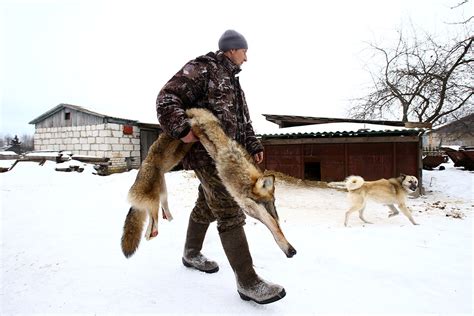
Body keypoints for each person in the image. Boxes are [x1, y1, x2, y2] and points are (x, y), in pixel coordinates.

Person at [156, 30, 286, 304]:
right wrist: (182, 129)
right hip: (207, 154)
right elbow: (167, 98)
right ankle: (248, 282)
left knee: (206, 205)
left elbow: (244, 123)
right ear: (232, 49)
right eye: (244, 52)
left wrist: (254, 146)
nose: (246, 58)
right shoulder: (203, 68)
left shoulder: (233, 83)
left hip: (232, 158)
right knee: (228, 209)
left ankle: (190, 253)